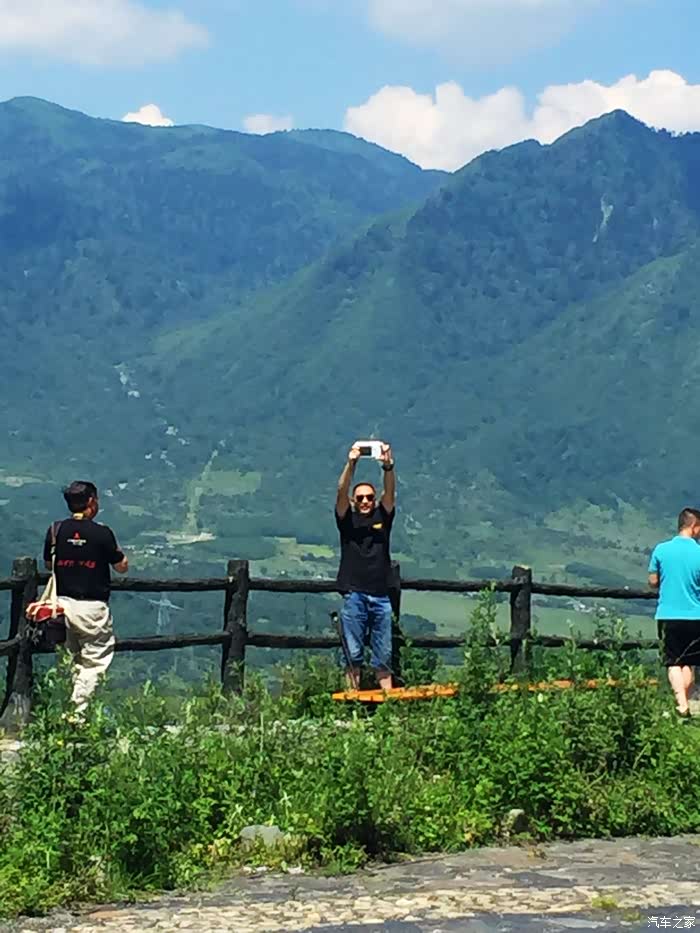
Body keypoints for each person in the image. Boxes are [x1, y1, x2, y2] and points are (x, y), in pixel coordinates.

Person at [44, 481, 128, 714]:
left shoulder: (55, 530)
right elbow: (121, 567)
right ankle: (76, 714)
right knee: (95, 661)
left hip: (61, 606)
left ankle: (64, 710)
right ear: (91, 501)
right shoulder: (102, 533)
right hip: (92, 608)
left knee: (71, 661)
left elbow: (49, 564)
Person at [335, 442, 396, 690]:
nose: (365, 501)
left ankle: (389, 705)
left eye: (369, 497)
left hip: (381, 594)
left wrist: (388, 466)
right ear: (354, 500)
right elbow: (340, 491)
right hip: (354, 593)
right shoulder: (346, 520)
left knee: (384, 655)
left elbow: (390, 492)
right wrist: (351, 464)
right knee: (353, 654)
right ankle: (352, 703)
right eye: (360, 498)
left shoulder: (383, 516)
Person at [648, 507, 700, 720]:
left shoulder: (661, 550)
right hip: (695, 615)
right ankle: (683, 705)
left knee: (673, 662)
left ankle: (681, 706)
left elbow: (653, 581)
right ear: (694, 526)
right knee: (688, 662)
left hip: (668, 613)